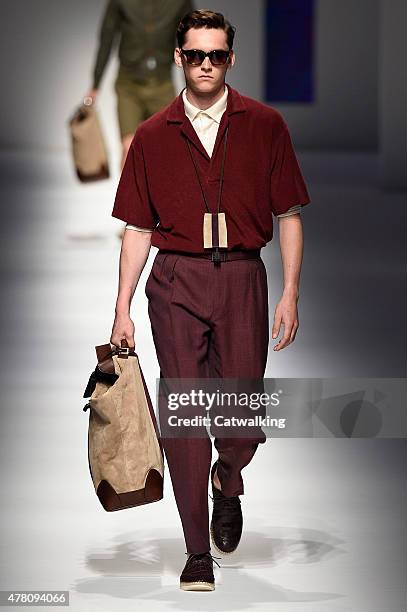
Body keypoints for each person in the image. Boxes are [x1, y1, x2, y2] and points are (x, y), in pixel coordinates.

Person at [110, 9, 311, 592]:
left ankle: (229, 476)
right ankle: (197, 550)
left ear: (230, 58)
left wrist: (291, 292)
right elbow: (136, 228)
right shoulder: (151, 135)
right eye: (195, 55)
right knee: (187, 417)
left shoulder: (265, 125)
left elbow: (289, 213)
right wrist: (121, 306)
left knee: (240, 417)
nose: (204, 65)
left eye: (216, 55)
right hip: (176, 281)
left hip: (244, 278)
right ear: (179, 57)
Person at [85, 0, 194, 171]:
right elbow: (107, 37)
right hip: (129, 85)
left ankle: (155, 197)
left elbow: (190, 41)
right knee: (129, 148)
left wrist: (196, 88)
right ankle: (128, 198)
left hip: (162, 85)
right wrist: (95, 85)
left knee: (164, 153)